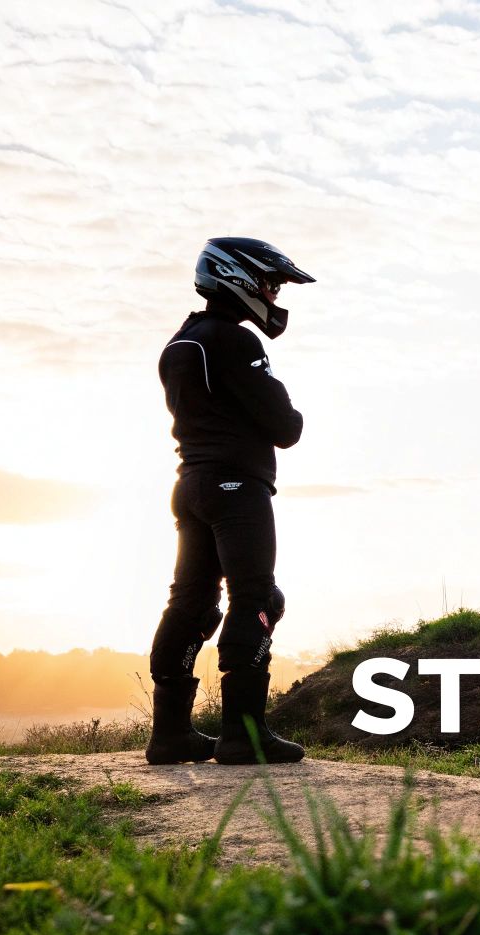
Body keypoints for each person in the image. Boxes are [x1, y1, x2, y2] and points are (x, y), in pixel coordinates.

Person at [146, 237, 315, 765]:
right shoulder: (236, 342)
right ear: (236, 279)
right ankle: (244, 735)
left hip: (190, 483)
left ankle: (170, 735)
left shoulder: (182, 340)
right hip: (237, 489)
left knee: (192, 603)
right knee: (258, 599)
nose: (273, 293)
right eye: (270, 282)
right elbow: (285, 427)